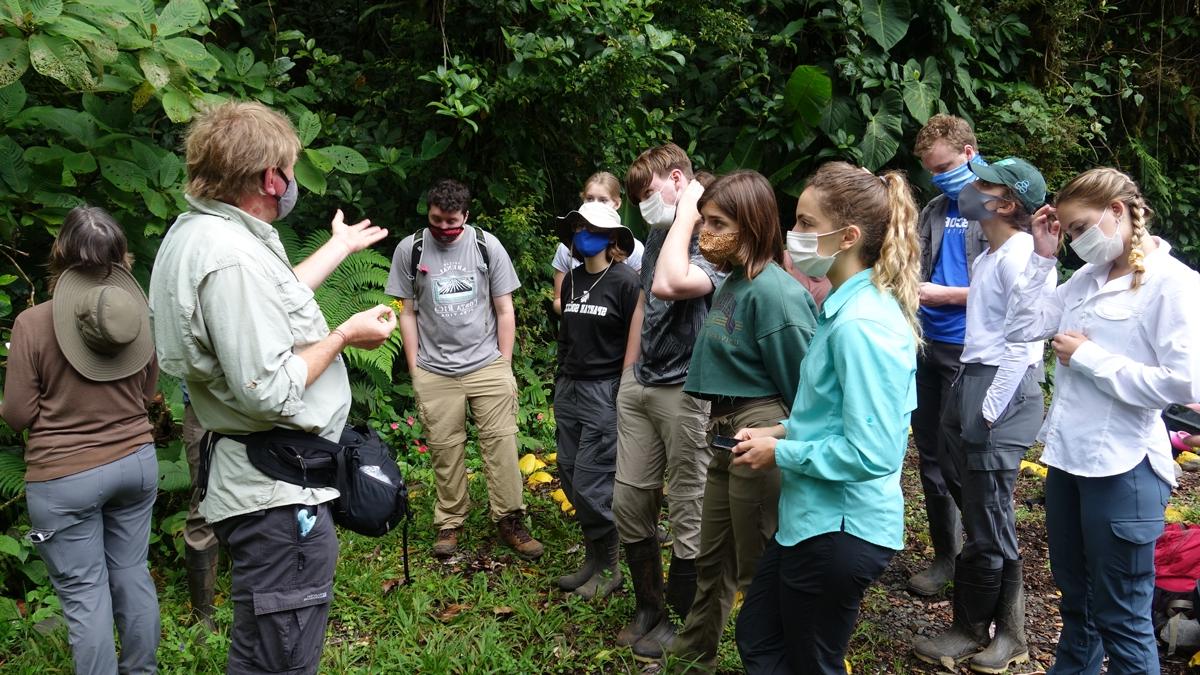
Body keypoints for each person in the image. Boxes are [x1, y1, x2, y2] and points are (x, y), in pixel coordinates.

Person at [149, 100, 397, 674]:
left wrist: (338, 247)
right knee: (281, 658)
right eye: (287, 171)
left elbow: (273, 299)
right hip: (275, 493)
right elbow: (267, 387)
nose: (291, 183)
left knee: (262, 646)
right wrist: (342, 336)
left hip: (258, 478)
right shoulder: (230, 258)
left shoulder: (202, 233)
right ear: (270, 177)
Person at [1005, 167, 1200, 675]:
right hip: (1069, 462)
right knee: (1078, 606)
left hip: (1124, 467)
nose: (1076, 240)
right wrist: (1043, 255)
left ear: (1117, 212)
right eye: (1069, 232)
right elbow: (1024, 325)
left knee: (1122, 618)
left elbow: (1184, 384)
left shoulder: (1173, 284)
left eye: (1079, 228)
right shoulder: (1086, 279)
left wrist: (1092, 358)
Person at [731, 161, 921, 674]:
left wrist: (781, 452)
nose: (794, 235)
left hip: (840, 527)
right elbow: (836, 414)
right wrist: (780, 430)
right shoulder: (843, 306)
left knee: (810, 660)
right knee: (760, 636)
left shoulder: (863, 325)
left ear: (849, 236)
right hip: (810, 520)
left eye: (807, 224)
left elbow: (874, 452)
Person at [657, 170, 818, 666]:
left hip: (758, 430)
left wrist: (781, 440)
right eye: (704, 220)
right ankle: (691, 657)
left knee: (757, 570)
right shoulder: (733, 283)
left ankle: (781, 661)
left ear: (750, 224)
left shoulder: (776, 295)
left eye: (718, 222)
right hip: (724, 433)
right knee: (713, 562)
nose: (707, 232)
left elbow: (808, 396)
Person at [1, 206, 160, 675]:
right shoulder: (135, 315)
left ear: (61, 254)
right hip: (136, 462)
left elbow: (17, 416)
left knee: (84, 592)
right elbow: (149, 391)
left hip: (63, 479)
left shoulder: (33, 324)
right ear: (121, 256)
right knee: (132, 575)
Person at [913, 158, 1053, 673]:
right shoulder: (988, 256)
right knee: (976, 508)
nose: (970, 189)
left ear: (1007, 203)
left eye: (982, 183)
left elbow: (1025, 344)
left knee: (991, 515)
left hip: (1001, 390)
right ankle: (976, 625)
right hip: (969, 379)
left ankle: (1003, 633)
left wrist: (988, 411)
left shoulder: (1021, 256)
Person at [386, 179, 543, 560]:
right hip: (434, 370)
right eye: (436, 220)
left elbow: (505, 309)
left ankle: (509, 519)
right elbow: (407, 313)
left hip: (487, 363)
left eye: (451, 222)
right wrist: (415, 368)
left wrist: (504, 366)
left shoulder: (486, 246)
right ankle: (450, 521)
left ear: (466, 216)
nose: (443, 229)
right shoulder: (412, 249)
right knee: (444, 449)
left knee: (502, 444)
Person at [611, 143, 721, 656]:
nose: (644, 206)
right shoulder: (659, 234)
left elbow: (672, 283)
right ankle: (649, 606)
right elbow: (643, 301)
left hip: (687, 387)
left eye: (649, 193)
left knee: (689, 508)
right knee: (630, 500)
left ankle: (685, 619)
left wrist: (694, 210)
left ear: (680, 180)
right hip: (644, 382)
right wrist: (629, 373)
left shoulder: (717, 234)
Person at [908, 114, 990, 596]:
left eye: (943, 166)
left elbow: (1011, 289)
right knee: (931, 455)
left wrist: (948, 296)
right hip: (927, 342)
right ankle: (947, 557)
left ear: (968, 153)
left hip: (971, 347)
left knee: (965, 456)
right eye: (930, 170)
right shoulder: (936, 209)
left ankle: (983, 556)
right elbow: (913, 266)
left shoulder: (999, 208)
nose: (937, 176)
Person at [552, 201, 645, 599]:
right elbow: (567, 336)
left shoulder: (626, 282)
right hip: (569, 387)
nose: (580, 234)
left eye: (588, 228)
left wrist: (625, 385)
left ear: (611, 239)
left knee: (594, 481)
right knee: (570, 473)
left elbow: (636, 337)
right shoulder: (571, 279)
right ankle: (594, 556)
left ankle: (610, 566)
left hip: (604, 390)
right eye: (575, 227)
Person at [552, 171, 645, 314]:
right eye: (590, 199)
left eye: (603, 200)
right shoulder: (567, 249)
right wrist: (580, 311)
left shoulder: (633, 251)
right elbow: (558, 300)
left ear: (617, 203)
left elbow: (638, 306)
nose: (596, 204)